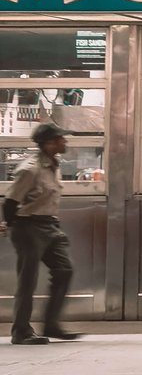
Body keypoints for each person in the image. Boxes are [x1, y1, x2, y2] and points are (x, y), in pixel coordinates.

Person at [6, 120, 81, 346]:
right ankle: (21, 331)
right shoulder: (30, 170)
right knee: (28, 280)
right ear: (48, 143)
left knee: (64, 270)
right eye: (60, 138)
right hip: (28, 226)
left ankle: (51, 324)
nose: (64, 141)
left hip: (49, 226)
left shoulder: (53, 164)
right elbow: (10, 203)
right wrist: (11, 226)